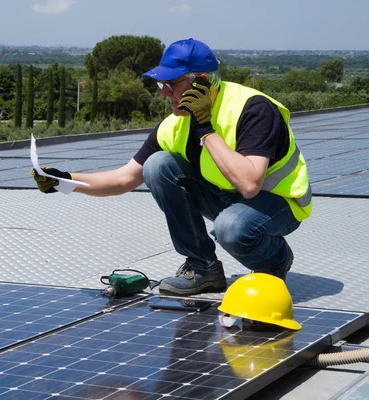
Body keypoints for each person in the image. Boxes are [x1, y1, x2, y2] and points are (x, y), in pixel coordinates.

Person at [32, 38, 312, 296]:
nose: (165, 93)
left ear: (202, 82)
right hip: (230, 199)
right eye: (161, 85)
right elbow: (123, 179)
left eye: (172, 84)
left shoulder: (252, 109)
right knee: (157, 165)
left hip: (278, 204)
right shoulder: (173, 126)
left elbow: (250, 184)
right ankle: (203, 268)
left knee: (232, 228)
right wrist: (64, 181)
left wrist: (205, 128)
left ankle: (276, 260)